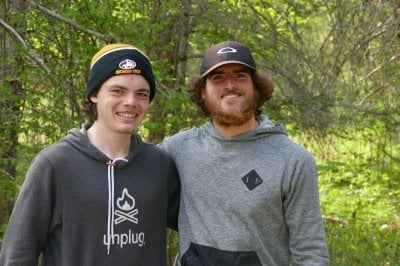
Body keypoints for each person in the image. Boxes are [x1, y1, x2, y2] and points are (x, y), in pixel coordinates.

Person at [0, 43, 180, 266]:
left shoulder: (159, 164)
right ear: (94, 94)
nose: (131, 102)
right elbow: (17, 255)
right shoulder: (55, 164)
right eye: (118, 90)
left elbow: (201, 220)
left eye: (141, 94)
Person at [161, 41, 329, 265]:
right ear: (202, 91)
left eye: (240, 75)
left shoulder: (293, 161)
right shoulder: (178, 148)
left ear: (256, 87)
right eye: (217, 77)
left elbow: (311, 254)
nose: (229, 85)